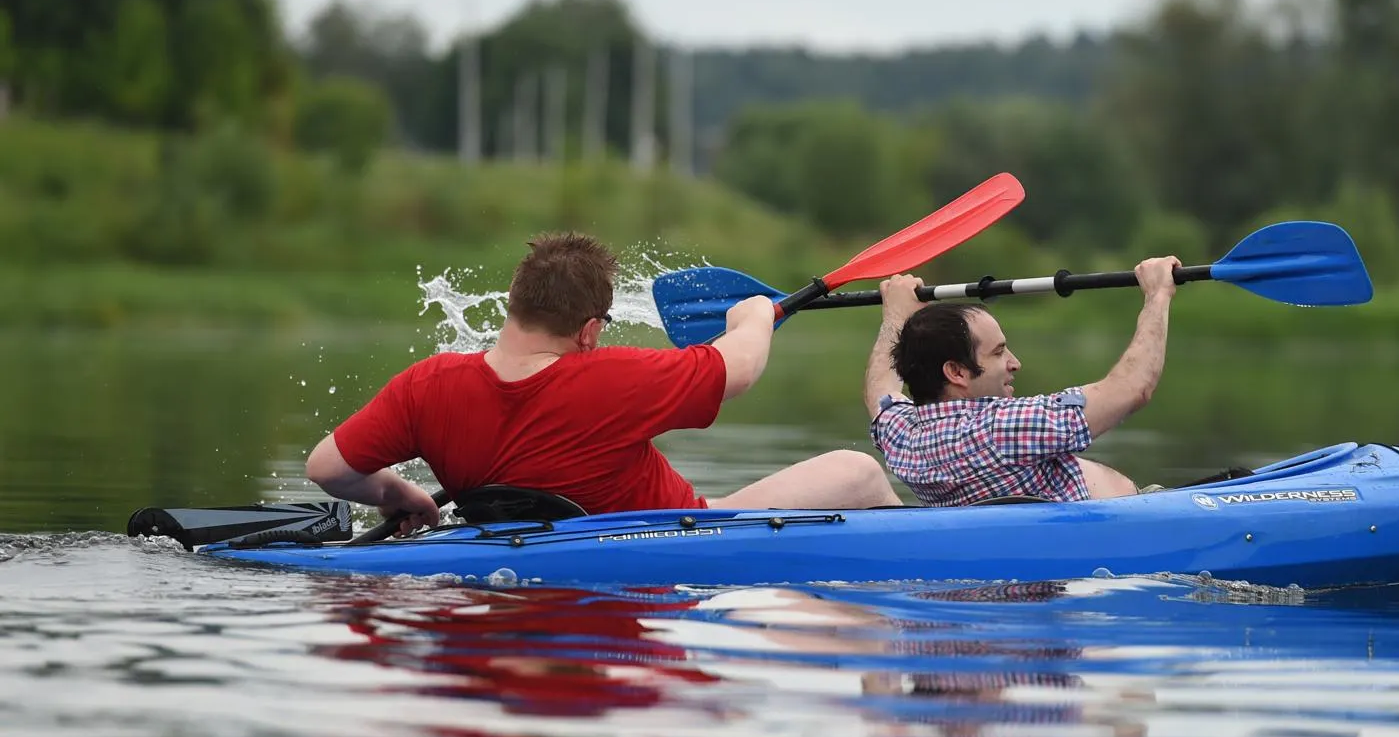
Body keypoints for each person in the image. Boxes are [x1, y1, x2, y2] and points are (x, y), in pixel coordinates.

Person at [306, 231, 899, 533]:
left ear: (513, 308)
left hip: (517, 547)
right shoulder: (612, 379)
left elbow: (327, 470)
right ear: (590, 330)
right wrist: (751, 318)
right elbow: (739, 368)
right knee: (859, 471)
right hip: (678, 538)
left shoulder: (426, 384)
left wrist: (399, 495)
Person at [863, 256, 1181, 506]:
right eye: (999, 352)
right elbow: (1133, 388)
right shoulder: (1003, 428)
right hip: (1131, 522)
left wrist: (895, 316)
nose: (1015, 363)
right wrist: (1158, 294)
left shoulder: (904, 436)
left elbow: (881, 390)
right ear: (956, 372)